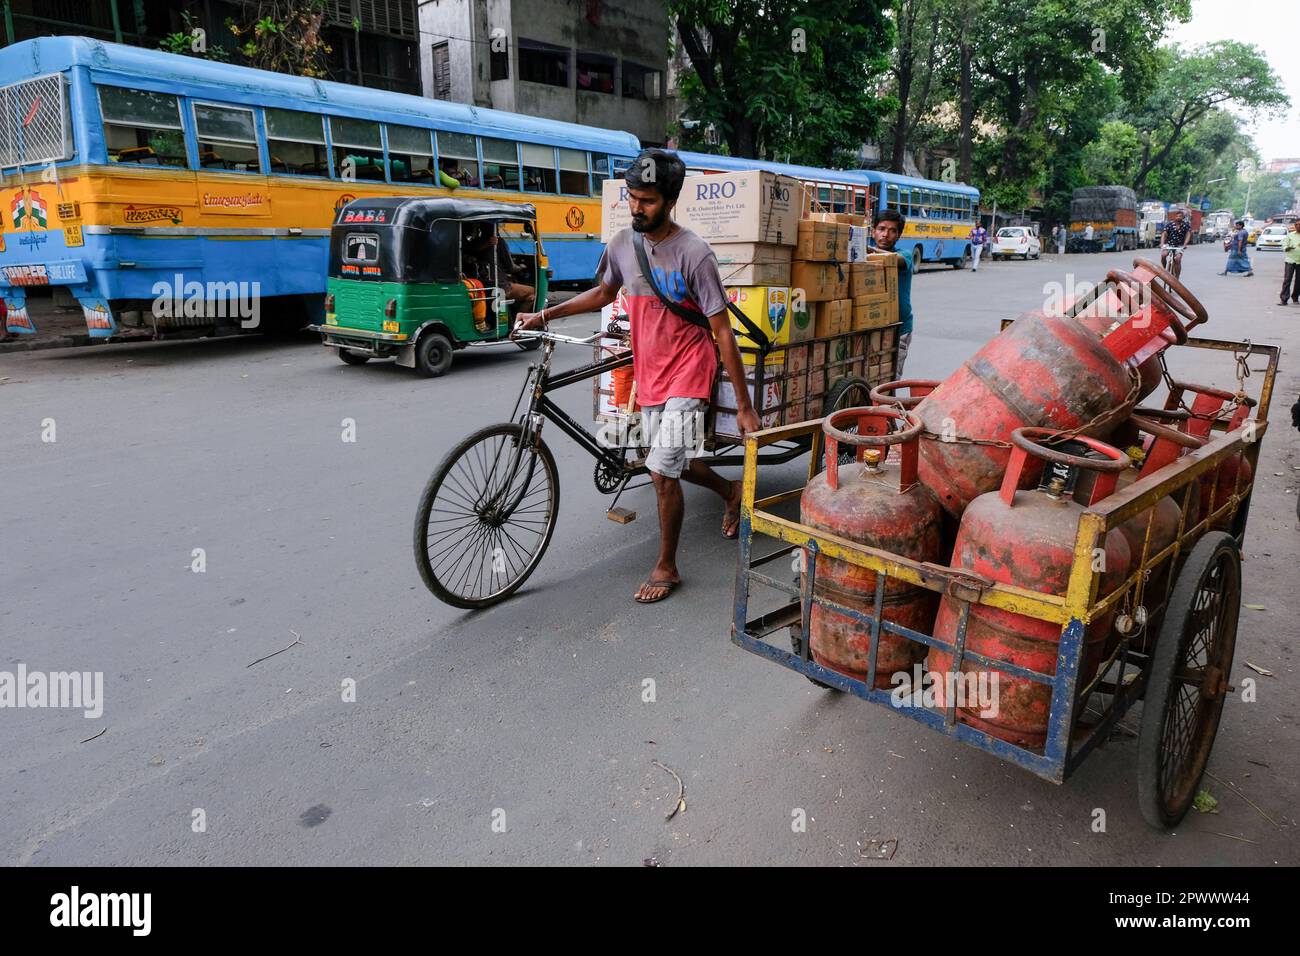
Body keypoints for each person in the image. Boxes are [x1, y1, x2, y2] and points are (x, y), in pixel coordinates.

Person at [513, 149, 759, 604]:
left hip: (690, 370)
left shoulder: (695, 254)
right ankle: (730, 492)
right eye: (632, 197)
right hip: (650, 372)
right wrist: (546, 314)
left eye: (646, 200)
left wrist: (744, 408)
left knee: (662, 471)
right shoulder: (622, 244)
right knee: (675, 462)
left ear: (669, 200)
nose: (636, 207)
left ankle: (667, 565)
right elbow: (604, 292)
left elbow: (722, 332)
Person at [869, 209, 914, 374]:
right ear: (873, 231)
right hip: (872, 325)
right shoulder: (864, 257)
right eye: (881, 229)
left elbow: (894, 260)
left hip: (899, 328)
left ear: (898, 235)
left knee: (890, 379)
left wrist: (866, 250)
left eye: (892, 231)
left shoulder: (905, 255)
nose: (885, 234)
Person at [1160, 208, 1191, 278]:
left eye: (1180, 216)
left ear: (1183, 217)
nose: (1178, 217)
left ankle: (1177, 277)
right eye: (1177, 216)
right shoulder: (1170, 224)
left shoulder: (1186, 225)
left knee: (1178, 259)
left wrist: (1185, 244)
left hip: (1179, 246)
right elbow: (1164, 234)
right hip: (1169, 244)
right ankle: (1164, 270)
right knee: (1163, 255)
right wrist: (1162, 243)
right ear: (1175, 217)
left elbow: (1188, 234)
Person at [1281, 220, 1300, 305]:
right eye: (1296, 224)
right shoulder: (1290, 235)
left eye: (1299, 224)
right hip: (1290, 261)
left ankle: (1295, 298)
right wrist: (1288, 248)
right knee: (1287, 280)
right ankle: (1284, 299)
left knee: (1299, 281)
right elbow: (1284, 245)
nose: (1298, 226)